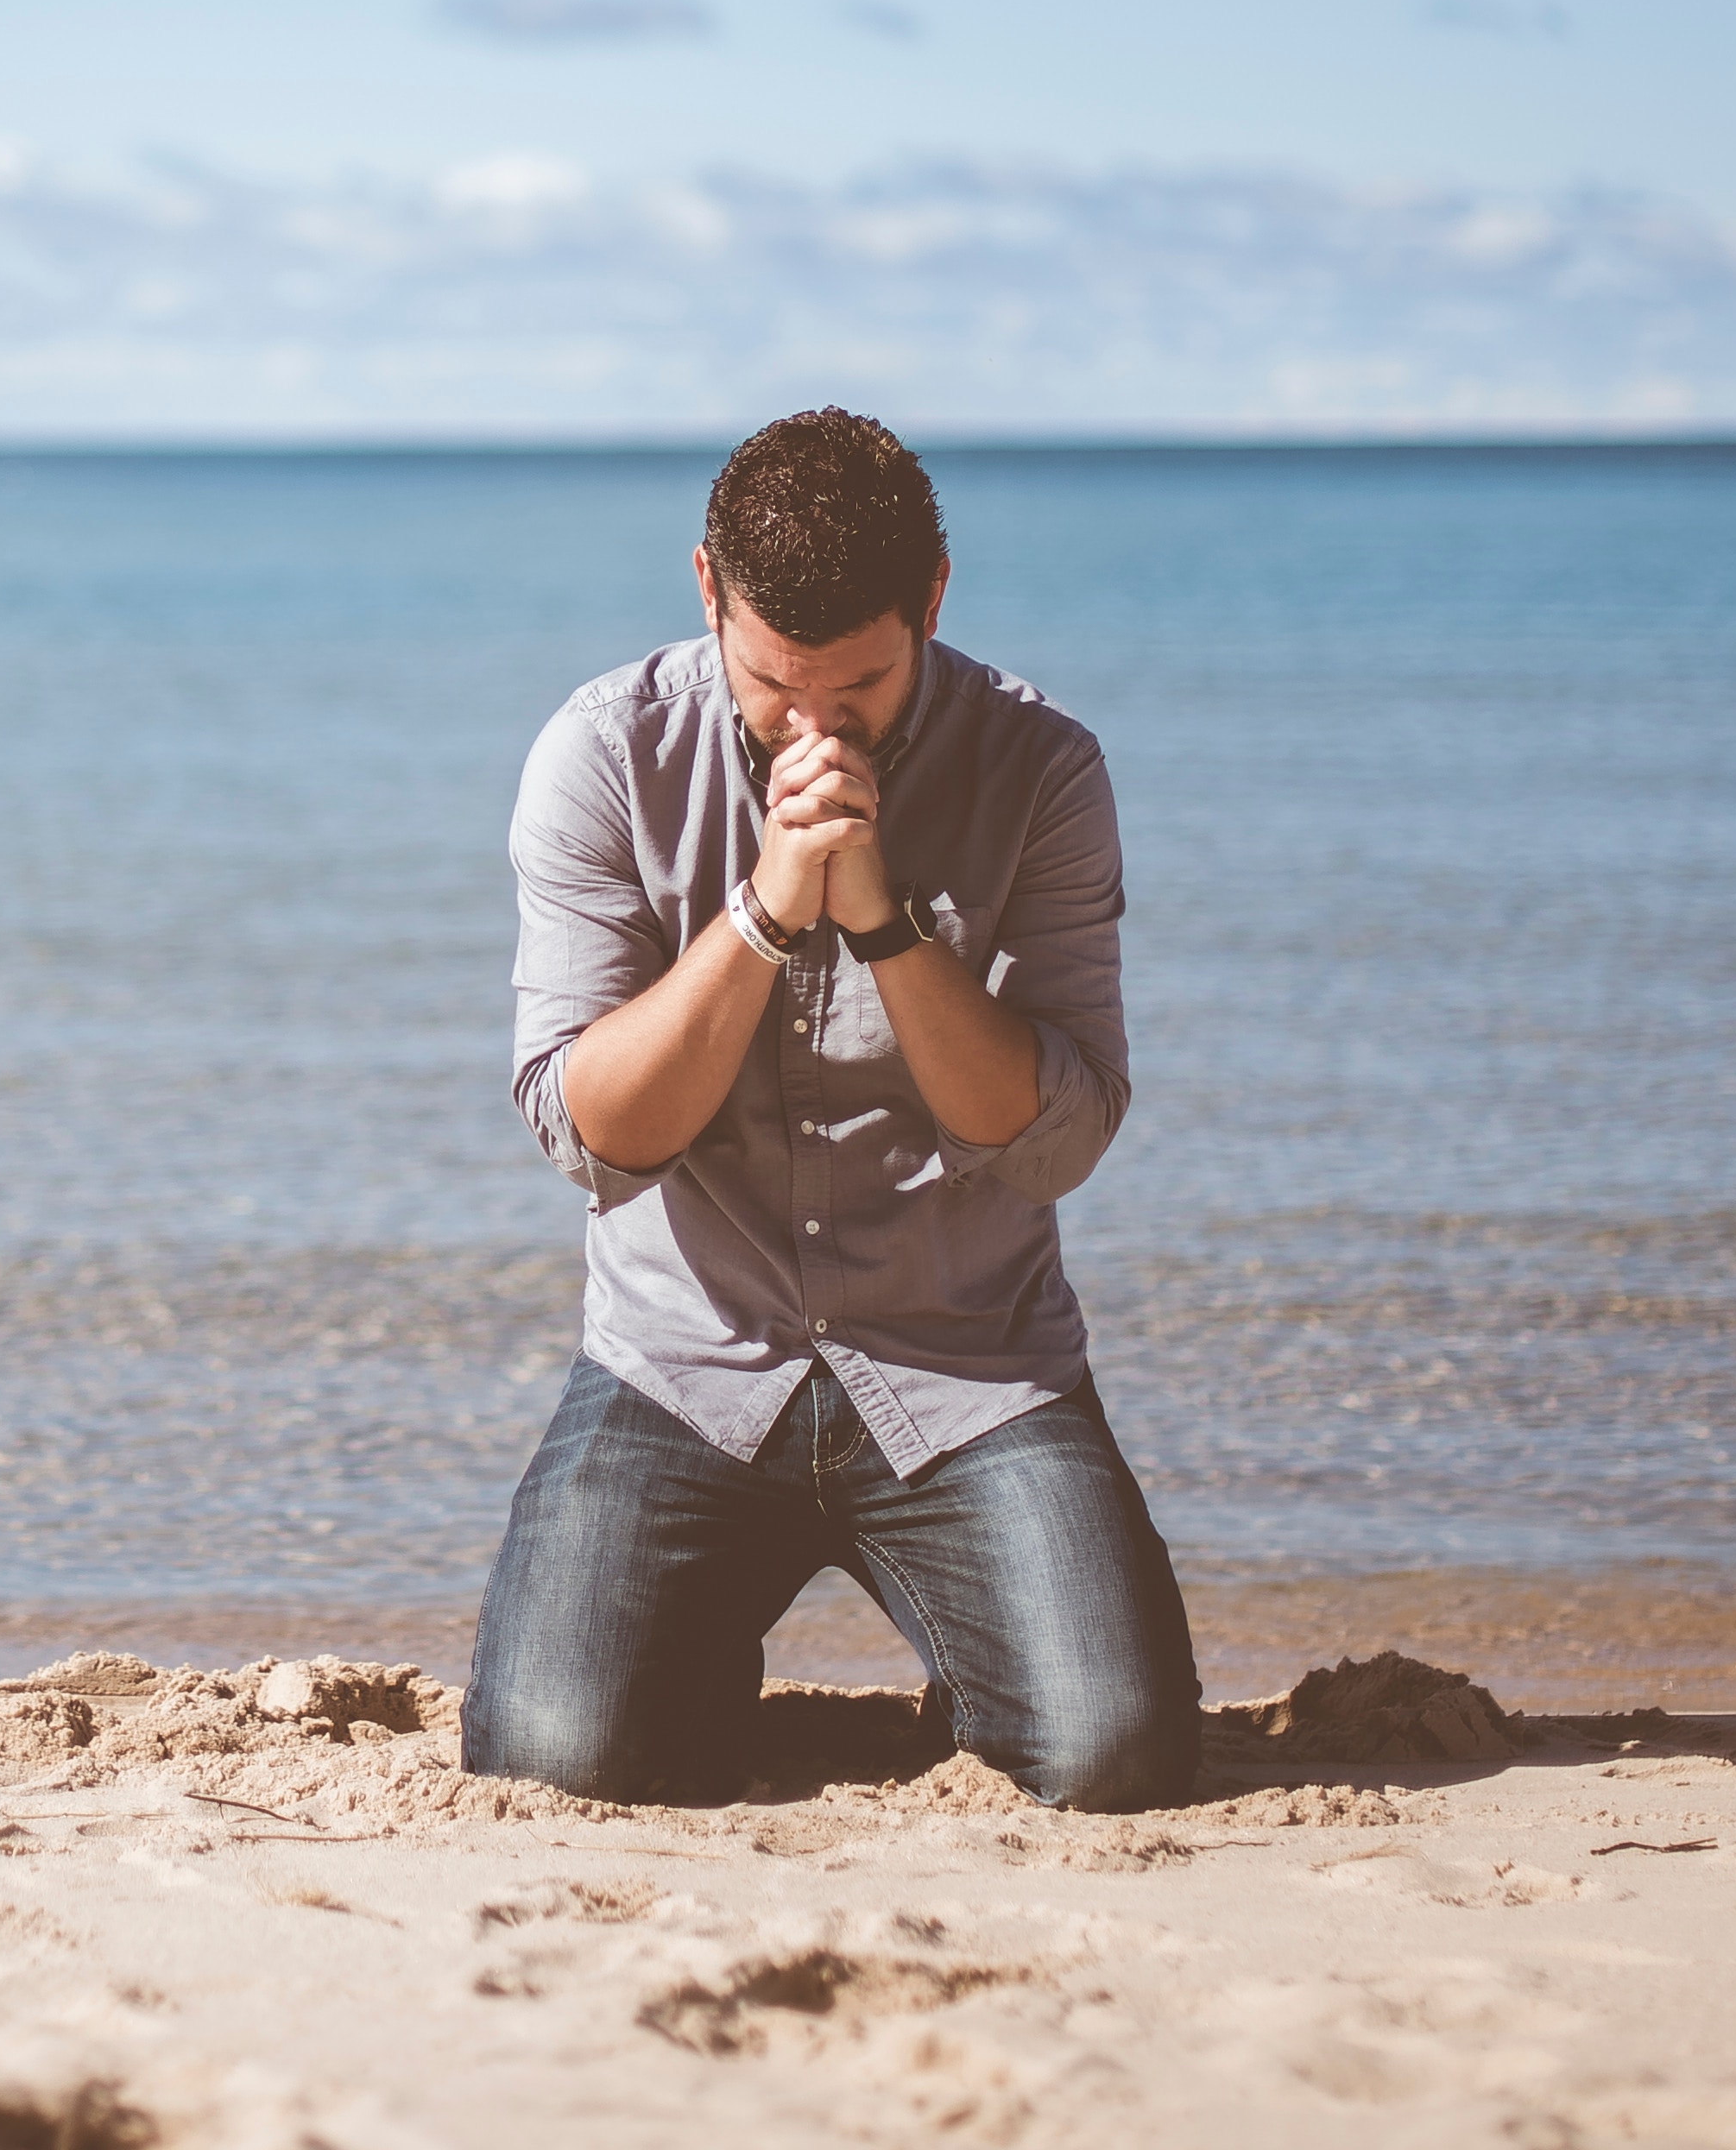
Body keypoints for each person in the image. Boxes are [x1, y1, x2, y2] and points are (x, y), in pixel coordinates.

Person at [458, 407, 1198, 1811]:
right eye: (771, 683)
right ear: (706, 594)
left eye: (855, 688)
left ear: (931, 600)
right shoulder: (607, 753)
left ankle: (972, 1648)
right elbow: (588, 1131)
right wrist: (759, 913)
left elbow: (1056, 1138)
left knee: (1116, 1759)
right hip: (682, 1366)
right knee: (551, 1765)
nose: (812, 731)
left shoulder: (1043, 768)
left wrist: (883, 924)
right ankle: (688, 1660)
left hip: (967, 1368)